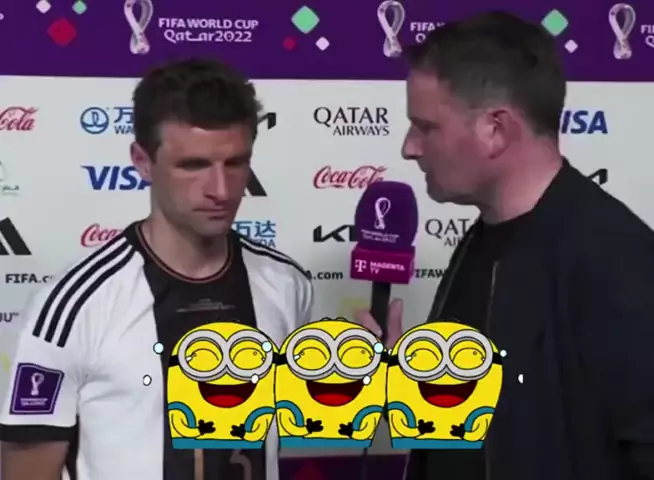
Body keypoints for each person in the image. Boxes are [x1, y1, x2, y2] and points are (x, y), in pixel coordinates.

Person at [357, 10, 654, 480]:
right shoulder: (482, 240)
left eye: (426, 126)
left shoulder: (618, 261)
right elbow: (495, 427)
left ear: (495, 129)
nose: (409, 147)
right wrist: (411, 389)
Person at [0, 58, 313, 480]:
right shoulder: (73, 306)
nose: (221, 190)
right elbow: (27, 469)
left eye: (236, 163)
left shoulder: (286, 285)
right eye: (193, 165)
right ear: (142, 161)